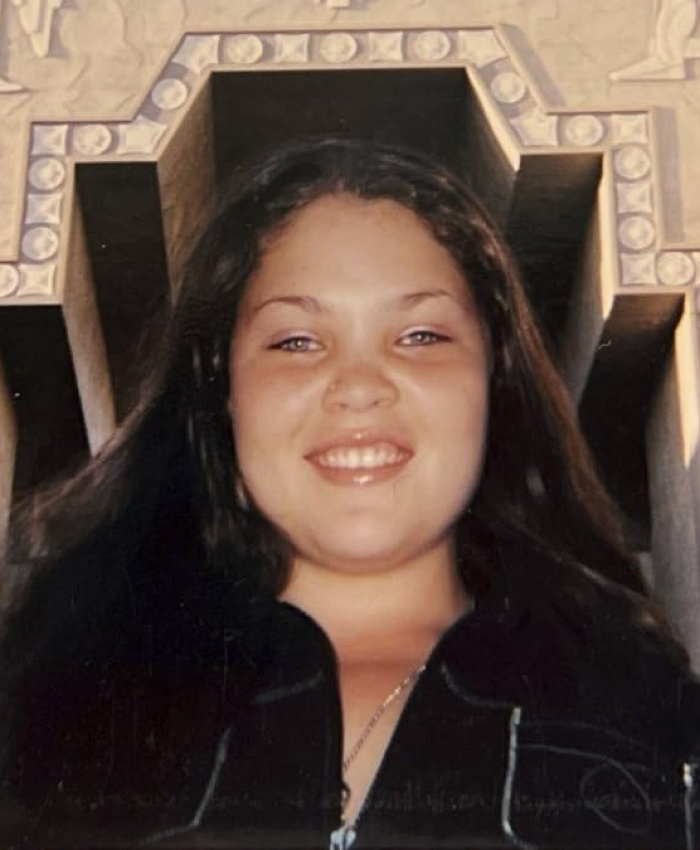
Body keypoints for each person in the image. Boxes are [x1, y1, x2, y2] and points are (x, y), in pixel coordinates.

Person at [0, 137, 698, 849]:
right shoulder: (43, 714)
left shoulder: (650, 719)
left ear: (492, 375)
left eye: (421, 334)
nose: (360, 385)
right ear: (224, 384)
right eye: (298, 341)